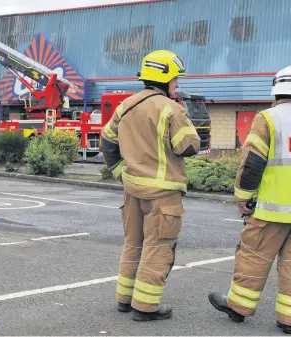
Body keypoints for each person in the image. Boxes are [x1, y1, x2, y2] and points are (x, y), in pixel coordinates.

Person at [207, 63, 291, 334]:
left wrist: (242, 198)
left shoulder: (268, 118)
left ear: (276, 90)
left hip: (270, 212)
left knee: (253, 257)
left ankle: (239, 307)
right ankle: (289, 319)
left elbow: (253, 162)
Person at [101, 50, 201, 321]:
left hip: (132, 190)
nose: (177, 84)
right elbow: (188, 146)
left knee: (133, 244)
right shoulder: (171, 109)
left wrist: (121, 172)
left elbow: (107, 141)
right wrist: (188, 120)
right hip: (163, 194)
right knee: (158, 248)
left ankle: (124, 299)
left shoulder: (126, 105)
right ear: (166, 77)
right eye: (176, 79)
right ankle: (145, 308)